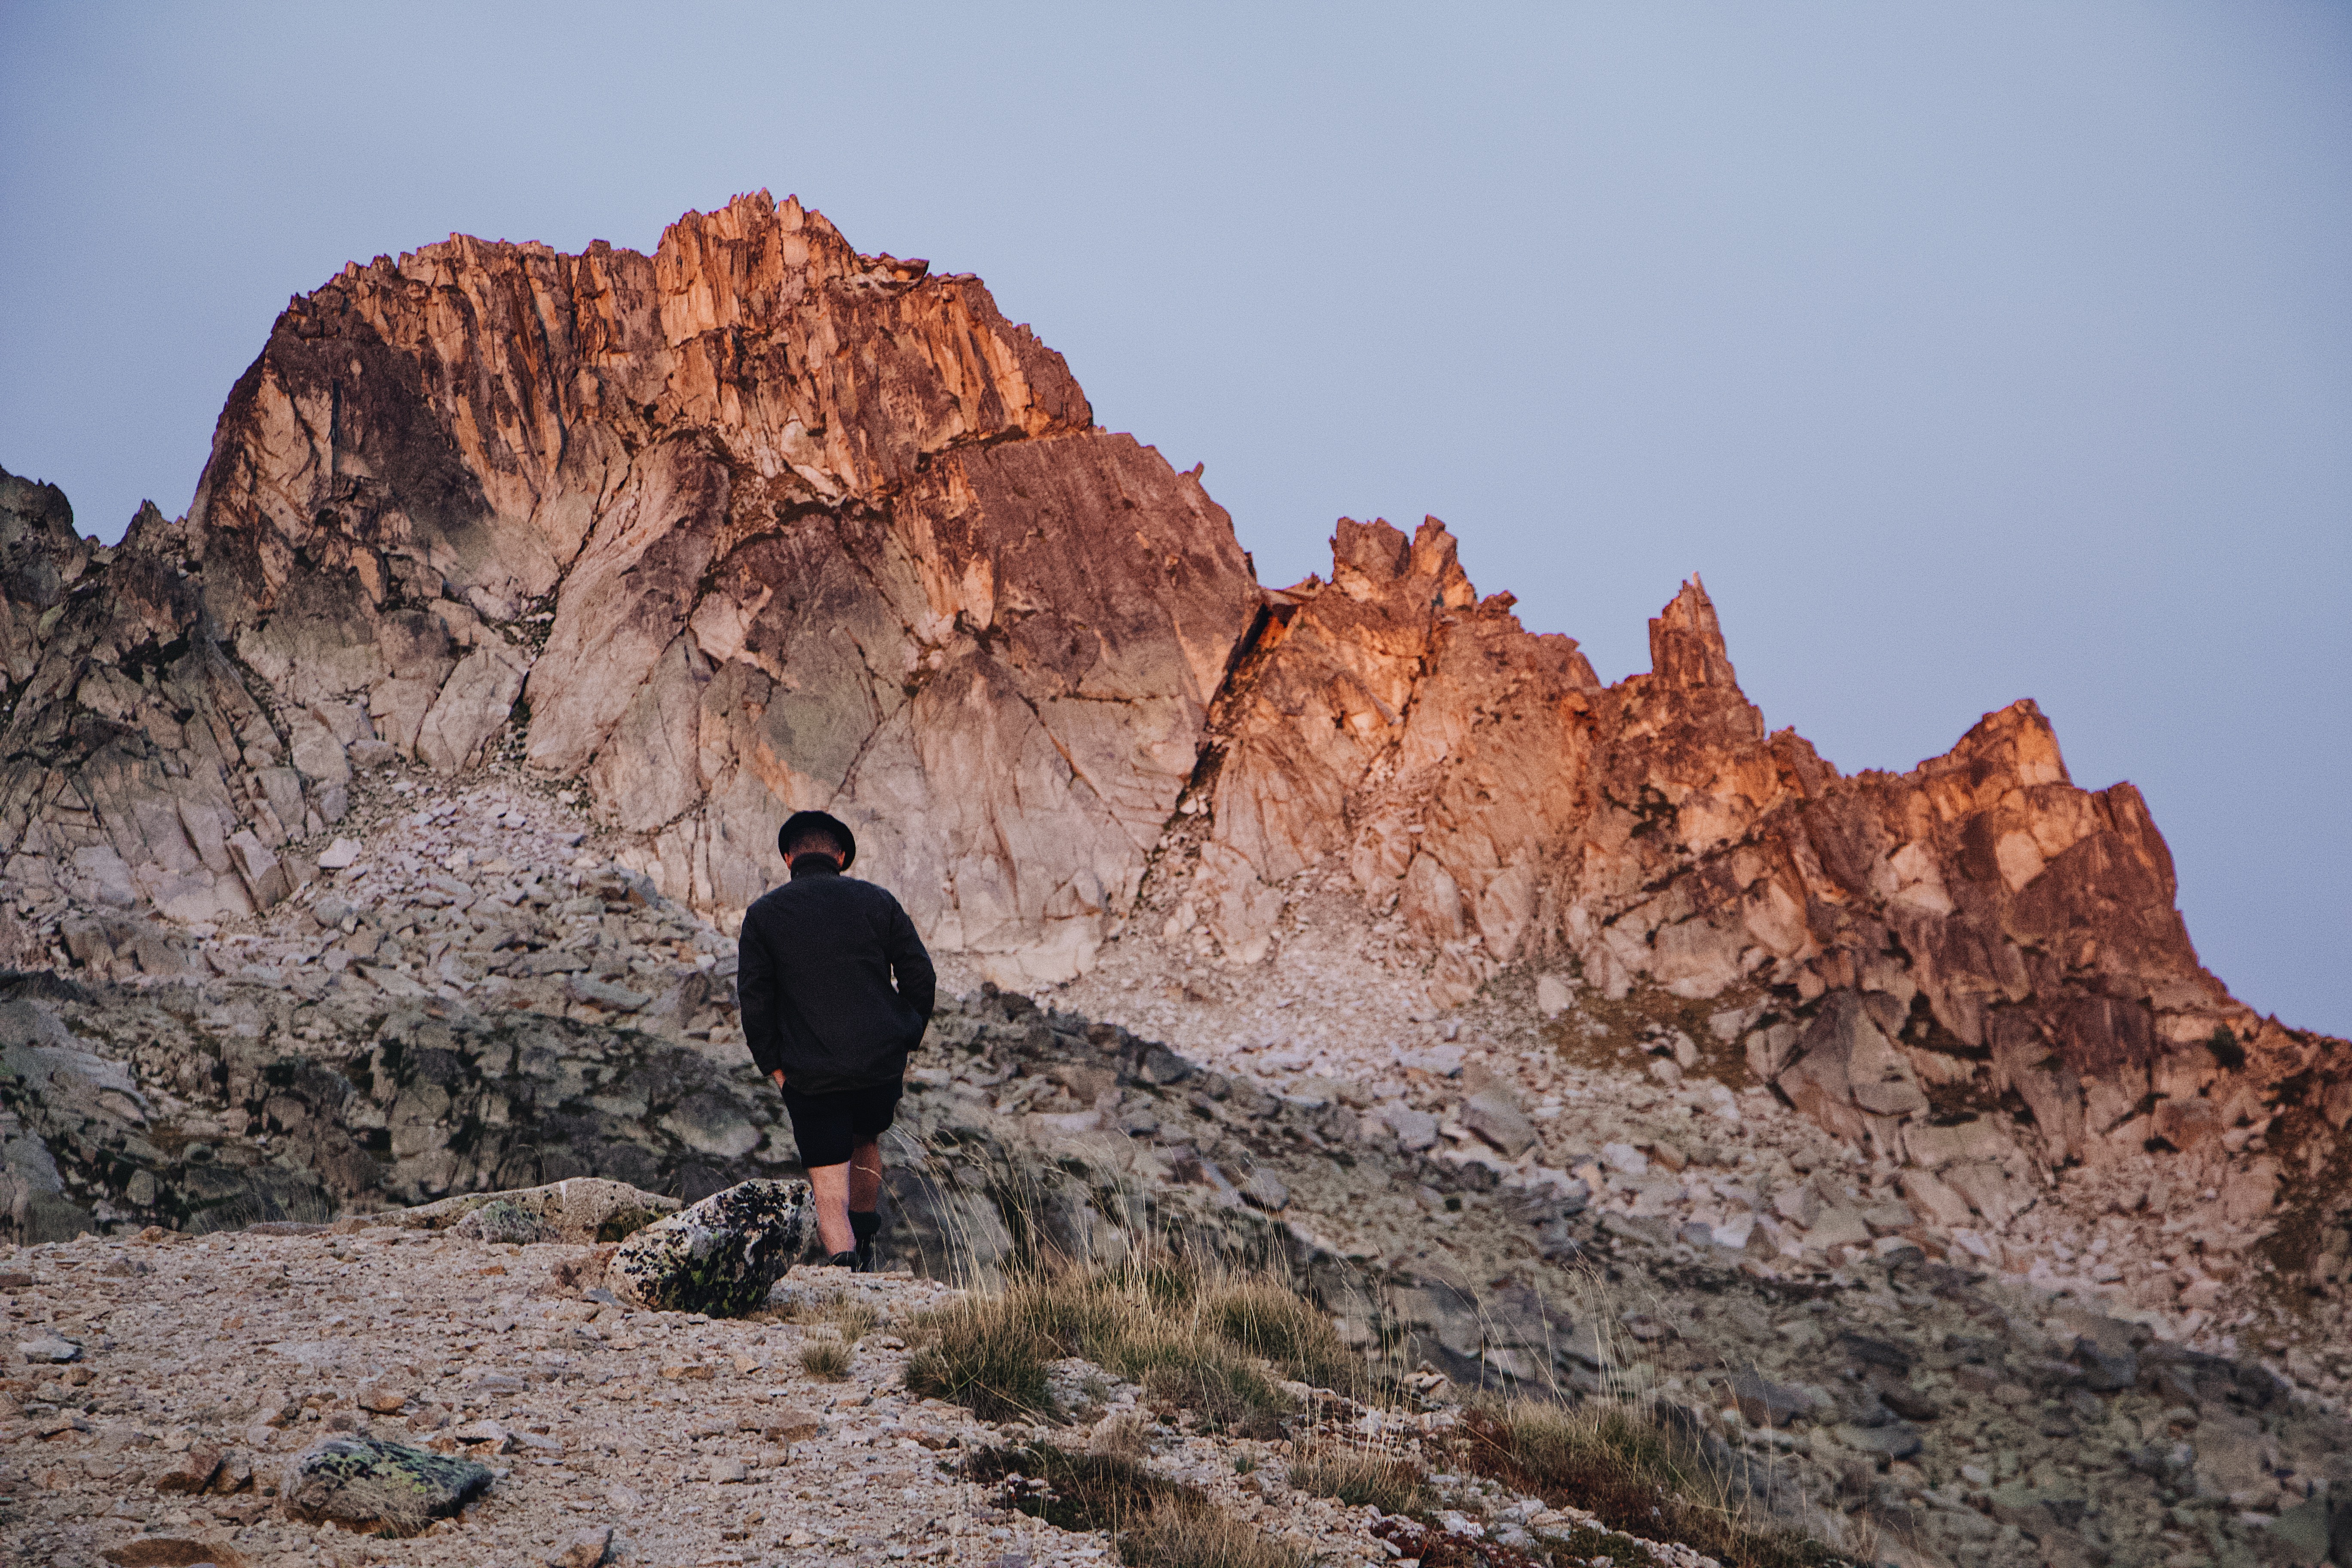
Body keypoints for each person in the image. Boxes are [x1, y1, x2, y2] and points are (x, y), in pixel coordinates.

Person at [736, 810, 935, 1270]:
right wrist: (903, 1037)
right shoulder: (878, 901)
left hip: (810, 1072)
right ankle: (866, 1251)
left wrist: (777, 1070)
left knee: (828, 1189)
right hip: (877, 1063)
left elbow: (756, 1002)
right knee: (866, 1140)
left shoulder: (764, 916)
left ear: (789, 857)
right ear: (841, 856)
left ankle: (847, 1269)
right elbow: (920, 979)